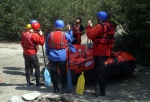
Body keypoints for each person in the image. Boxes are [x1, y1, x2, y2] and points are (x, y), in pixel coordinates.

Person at [86, 11, 116, 96]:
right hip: (106, 51)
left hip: (99, 51)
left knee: (97, 71)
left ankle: (98, 91)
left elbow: (90, 35)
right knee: (102, 71)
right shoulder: (110, 26)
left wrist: (88, 26)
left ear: (99, 18)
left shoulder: (100, 26)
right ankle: (102, 91)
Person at [45, 20, 75, 93]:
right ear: (62, 26)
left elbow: (47, 46)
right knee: (63, 72)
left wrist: (48, 54)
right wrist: (69, 30)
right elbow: (71, 39)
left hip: (52, 57)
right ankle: (64, 88)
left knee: (54, 72)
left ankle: (56, 89)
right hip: (62, 57)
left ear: (55, 26)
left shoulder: (50, 35)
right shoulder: (65, 34)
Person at [21, 21, 45, 86]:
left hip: (25, 53)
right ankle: (37, 82)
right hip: (32, 53)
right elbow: (42, 43)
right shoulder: (35, 35)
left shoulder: (25, 34)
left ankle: (28, 82)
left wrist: (25, 49)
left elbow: (22, 43)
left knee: (27, 67)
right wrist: (42, 35)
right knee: (37, 67)